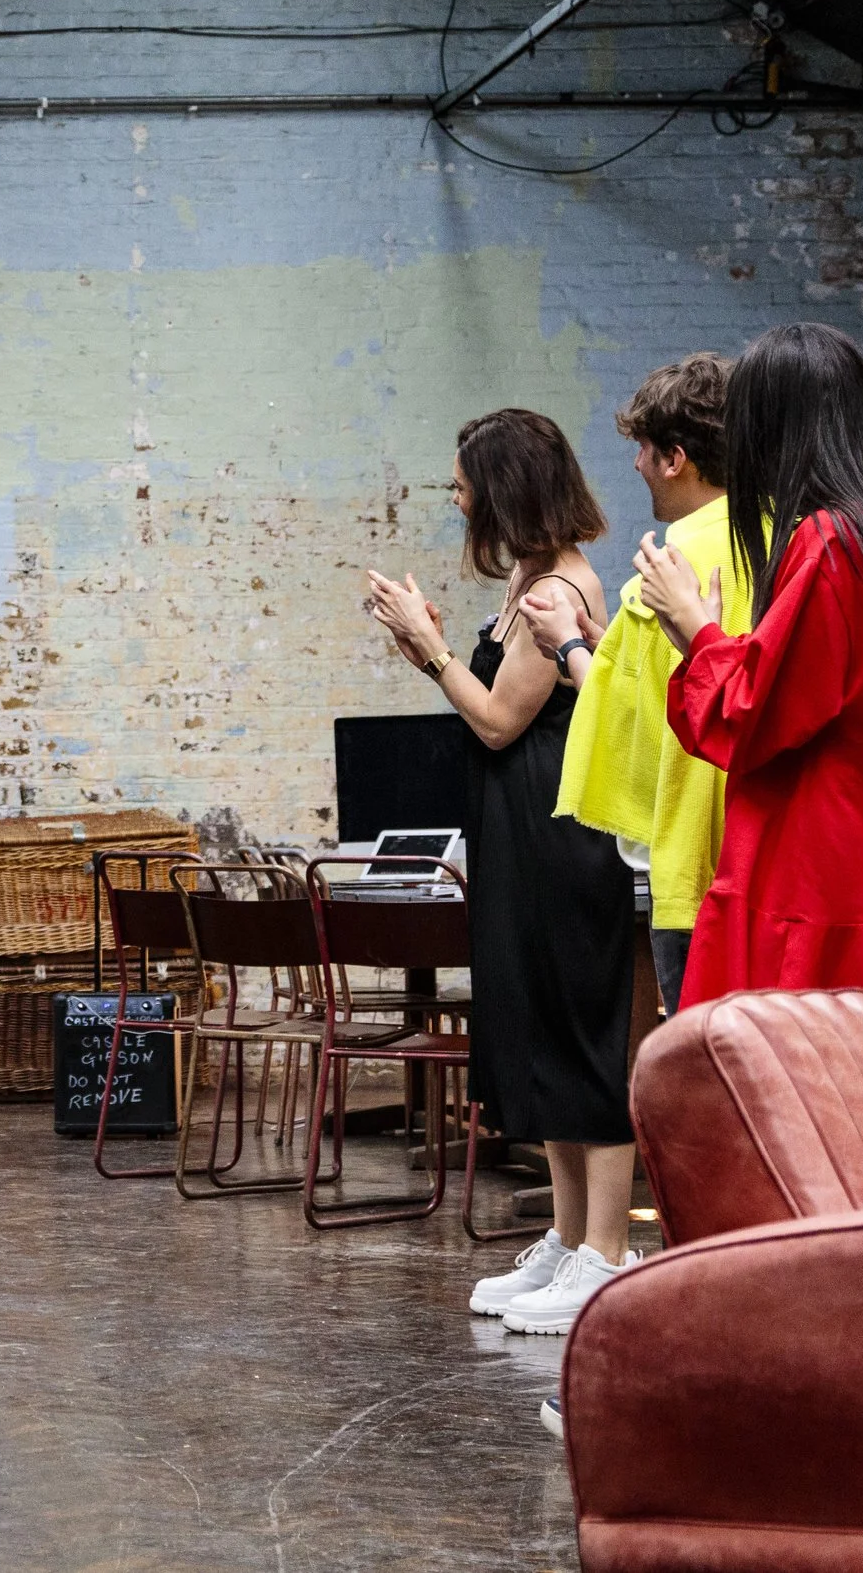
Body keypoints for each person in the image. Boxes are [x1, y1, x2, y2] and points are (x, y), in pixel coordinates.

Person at [362, 410, 641, 1336]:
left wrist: (434, 649)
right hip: (518, 833)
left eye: (463, 484)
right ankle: (569, 1238)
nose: (456, 498)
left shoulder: (559, 586)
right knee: (540, 1031)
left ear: (503, 488)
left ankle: (607, 1254)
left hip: (561, 835)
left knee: (580, 1033)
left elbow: (494, 721)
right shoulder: (528, 576)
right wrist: (425, 648)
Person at [643, 322, 863, 999]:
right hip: (855, 870)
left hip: (810, 877)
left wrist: (695, 629)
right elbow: (801, 687)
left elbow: (758, 714)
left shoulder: (830, 543)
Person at [523, 352, 749, 1019]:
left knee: (706, 1069)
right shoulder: (787, 541)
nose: (636, 464)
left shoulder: (668, 569)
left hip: (698, 868)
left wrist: (568, 645)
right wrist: (608, 647)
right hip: (777, 870)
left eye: (644, 449)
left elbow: (634, 718)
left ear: (676, 458)